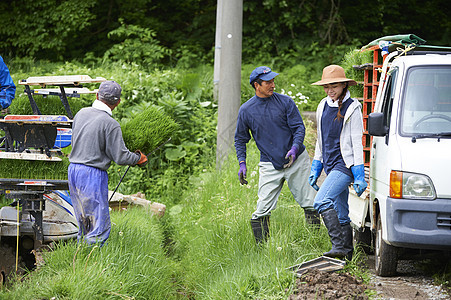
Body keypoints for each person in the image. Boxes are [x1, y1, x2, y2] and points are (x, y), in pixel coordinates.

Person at [234, 66, 320, 244]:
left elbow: (298, 128)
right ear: (257, 85)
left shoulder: (285, 102)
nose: (273, 85)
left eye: (273, 81)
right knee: (262, 208)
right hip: (269, 163)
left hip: (296, 160)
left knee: (309, 202)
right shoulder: (246, 110)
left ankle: (315, 242)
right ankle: (262, 250)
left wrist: (295, 148)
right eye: (268, 82)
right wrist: (242, 163)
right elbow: (240, 139)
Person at [68, 80, 148, 246]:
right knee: (98, 225)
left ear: (97, 95)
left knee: (84, 221)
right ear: (118, 103)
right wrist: (138, 158)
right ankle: (92, 265)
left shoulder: (81, 113)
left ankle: (80, 256)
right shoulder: (111, 124)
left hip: (74, 170)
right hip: (92, 174)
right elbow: (120, 157)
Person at [309, 65, 367, 260]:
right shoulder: (322, 106)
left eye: (333, 86)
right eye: (326, 87)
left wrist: (359, 174)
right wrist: (316, 166)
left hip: (344, 166)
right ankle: (348, 256)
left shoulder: (352, 108)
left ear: (343, 84)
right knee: (342, 212)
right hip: (330, 164)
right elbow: (321, 139)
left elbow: (357, 143)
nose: (329, 90)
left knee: (321, 201)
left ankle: (338, 246)